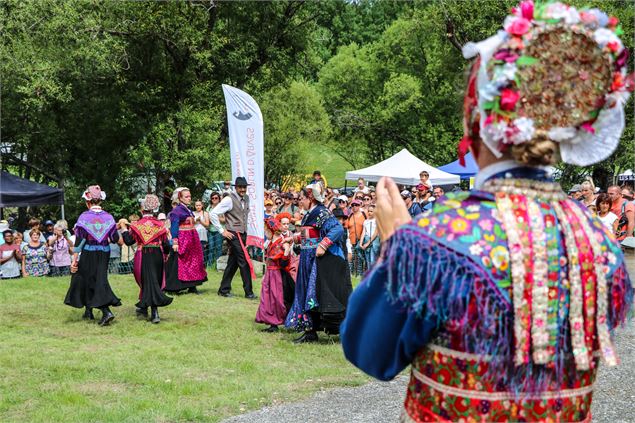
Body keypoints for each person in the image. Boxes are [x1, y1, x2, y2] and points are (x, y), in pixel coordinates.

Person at [341, 3, 634, 421]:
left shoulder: (436, 238)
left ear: (475, 119)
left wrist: (398, 249)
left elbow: (371, 354)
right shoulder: (599, 240)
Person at [285, 183, 352, 343]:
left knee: (314, 294)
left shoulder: (322, 212)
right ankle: (310, 331)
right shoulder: (310, 214)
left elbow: (337, 229)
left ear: (310, 198)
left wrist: (323, 245)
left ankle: (319, 330)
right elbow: (309, 234)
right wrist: (293, 238)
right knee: (306, 293)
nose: (300, 201)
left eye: (302, 198)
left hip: (317, 262)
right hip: (307, 260)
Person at [64, 185, 121, 326]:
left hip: (89, 252)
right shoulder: (109, 217)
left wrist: (74, 260)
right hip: (104, 253)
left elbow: (79, 242)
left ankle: (106, 311)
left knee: (89, 280)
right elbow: (114, 238)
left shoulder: (84, 217)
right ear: (100, 200)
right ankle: (88, 310)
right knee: (99, 278)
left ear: (88, 201)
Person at [121, 194, 173, 324]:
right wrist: (165, 255)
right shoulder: (160, 225)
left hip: (143, 254)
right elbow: (166, 245)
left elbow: (128, 241)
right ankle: (146, 308)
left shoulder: (137, 225)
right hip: (157, 254)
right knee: (154, 281)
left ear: (142, 209)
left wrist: (123, 229)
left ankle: (153, 311)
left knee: (146, 282)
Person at [210, 177, 256, 299]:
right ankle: (249, 292)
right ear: (235, 187)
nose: (242, 189)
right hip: (233, 234)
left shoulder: (246, 198)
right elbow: (213, 214)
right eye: (240, 187)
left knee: (233, 262)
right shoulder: (228, 199)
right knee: (244, 261)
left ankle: (223, 289)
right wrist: (222, 230)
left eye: (244, 187)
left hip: (243, 233)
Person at [164, 187, 208, 295]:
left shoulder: (188, 209)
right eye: (186, 197)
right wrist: (175, 242)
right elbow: (174, 227)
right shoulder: (176, 211)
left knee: (195, 262)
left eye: (190, 196)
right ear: (180, 198)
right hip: (183, 239)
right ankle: (175, 287)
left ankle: (192, 286)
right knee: (180, 262)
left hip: (193, 239)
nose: (189, 198)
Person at [256, 217, 295, 333]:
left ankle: (279, 320)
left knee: (276, 298)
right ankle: (272, 322)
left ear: (271, 231)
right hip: (270, 273)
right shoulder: (272, 242)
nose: (265, 233)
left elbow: (285, 257)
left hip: (277, 274)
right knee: (268, 297)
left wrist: (286, 252)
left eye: (266, 231)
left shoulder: (281, 242)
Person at [345, 199, 366, 276]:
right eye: (352, 205)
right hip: (351, 240)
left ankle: (359, 274)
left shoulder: (364, 215)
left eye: (356, 205)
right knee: (351, 258)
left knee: (360, 259)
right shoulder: (349, 216)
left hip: (361, 241)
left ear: (359, 206)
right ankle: (351, 274)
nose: (354, 207)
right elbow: (346, 227)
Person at [206, 192, 224, 269]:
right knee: (211, 248)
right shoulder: (209, 208)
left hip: (219, 230)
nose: (214, 199)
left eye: (216, 198)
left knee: (219, 248)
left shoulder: (222, 207)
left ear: (219, 198)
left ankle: (218, 266)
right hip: (210, 230)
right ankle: (210, 265)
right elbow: (207, 218)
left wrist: (214, 218)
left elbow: (224, 220)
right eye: (212, 198)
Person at [359, 204, 380, 269]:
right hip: (366, 241)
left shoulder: (377, 221)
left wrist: (368, 243)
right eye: (368, 211)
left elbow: (376, 233)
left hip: (374, 242)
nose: (369, 213)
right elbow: (363, 232)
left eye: (371, 211)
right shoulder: (366, 221)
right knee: (368, 260)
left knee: (373, 260)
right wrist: (360, 243)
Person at [193, 200, 210, 266]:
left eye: (199, 205)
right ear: (195, 206)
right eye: (196, 205)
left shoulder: (205, 213)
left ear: (202, 205)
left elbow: (207, 224)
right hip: (194, 234)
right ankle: (195, 264)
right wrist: (195, 221)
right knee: (194, 251)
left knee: (202, 250)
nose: (198, 207)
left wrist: (200, 221)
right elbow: (190, 224)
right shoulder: (192, 213)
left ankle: (203, 265)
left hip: (202, 235)